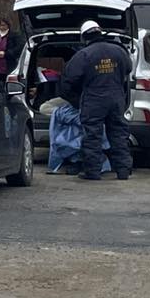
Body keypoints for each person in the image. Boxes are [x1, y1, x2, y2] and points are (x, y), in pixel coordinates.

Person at [59, 20, 133, 182]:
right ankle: (123, 170)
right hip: (116, 98)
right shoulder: (119, 51)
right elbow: (128, 69)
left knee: (92, 136)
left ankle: (92, 172)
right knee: (119, 133)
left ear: (84, 37)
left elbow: (67, 81)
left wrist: (76, 100)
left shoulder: (84, 55)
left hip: (94, 100)